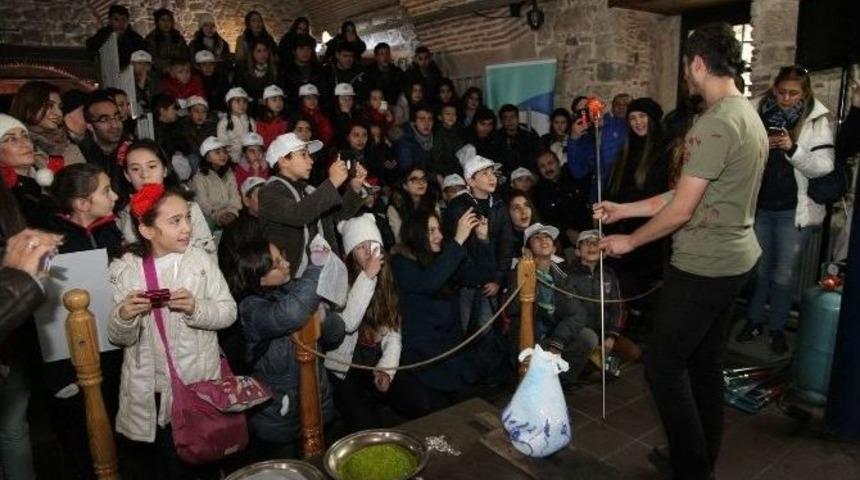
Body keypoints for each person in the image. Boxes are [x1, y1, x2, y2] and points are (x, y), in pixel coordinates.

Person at [595, 23, 767, 479]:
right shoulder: (745, 113)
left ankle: (691, 468)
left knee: (662, 366)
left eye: (687, 68)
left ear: (698, 64)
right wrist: (625, 209)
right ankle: (700, 457)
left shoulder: (714, 124)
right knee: (704, 363)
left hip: (704, 267)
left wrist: (630, 240)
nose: (686, 77)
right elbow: (687, 193)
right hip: (736, 260)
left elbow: (682, 210)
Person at [107, 184, 237, 478]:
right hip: (153, 392)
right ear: (147, 230)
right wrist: (125, 315)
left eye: (187, 217)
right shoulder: (127, 270)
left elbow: (228, 312)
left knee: (205, 459)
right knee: (169, 465)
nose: (187, 228)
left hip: (199, 386)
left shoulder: (200, 261)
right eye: (175, 221)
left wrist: (196, 309)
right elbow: (118, 337)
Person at [736, 65, 835, 354]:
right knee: (760, 270)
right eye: (781, 92)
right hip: (760, 207)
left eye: (793, 94)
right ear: (774, 89)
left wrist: (792, 149)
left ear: (805, 93)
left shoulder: (816, 120)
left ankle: (777, 328)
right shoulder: (756, 111)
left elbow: (823, 167)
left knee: (783, 274)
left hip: (794, 211)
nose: (786, 99)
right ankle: (754, 321)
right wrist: (760, 145)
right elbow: (737, 151)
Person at [41, 163, 124, 479]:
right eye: (106, 190)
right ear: (82, 203)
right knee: (82, 444)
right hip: (72, 366)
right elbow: (43, 316)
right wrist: (58, 376)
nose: (114, 196)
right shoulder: (50, 243)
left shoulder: (110, 231)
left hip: (111, 352)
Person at [225, 238, 344, 458]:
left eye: (282, 257)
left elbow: (336, 335)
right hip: (279, 420)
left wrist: (324, 318)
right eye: (276, 264)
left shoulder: (295, 289)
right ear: (260, 278)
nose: (287, 264)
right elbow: (290, 314)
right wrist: (317, 267)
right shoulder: (250, 309)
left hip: (320, 406)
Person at [327, 214, 424, 432]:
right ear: (351, 253)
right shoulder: (340, 279)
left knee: (420, 402)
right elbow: (348, 324)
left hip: (375, 359)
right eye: (360, 247)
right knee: (367, 427)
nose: (368, 252)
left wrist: (386, 370)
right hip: (346, 367)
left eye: (372, 245)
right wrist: (368, 277)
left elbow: (393, 333)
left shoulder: (388, 278)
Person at [390, 208, 493, 414]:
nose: (439, 236)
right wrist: (458, 240)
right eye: (431, 231)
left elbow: (481, 275)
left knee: (472, 405)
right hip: (424, 359)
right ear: (416, 234)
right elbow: (429, 282)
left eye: (438, 229)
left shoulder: (442, 258)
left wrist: (483, 240)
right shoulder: (401, 262)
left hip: (451, 353)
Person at [259, 133, 365, 278]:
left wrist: (355, 188)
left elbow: (338, 216)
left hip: (321, 273)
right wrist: (332, 183)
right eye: (303, 155)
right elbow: (297, 214)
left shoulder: (308, 191)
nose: (311, 161)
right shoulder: (269, 192)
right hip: (292, 280)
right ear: (283, 161)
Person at [605, 97, 669, 328]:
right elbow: (616, 189)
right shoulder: (626, 149)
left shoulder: (665, 150)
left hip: (651, 230)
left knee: (647, 289)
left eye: (642, 116)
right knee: (625, 285)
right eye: (632, 118)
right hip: (623, 226)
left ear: (653, 119)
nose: (637, 122)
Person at [507, 223, 591, 385]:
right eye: (536, 238)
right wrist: (526, 273)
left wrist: (557, 342)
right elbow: (514, 309)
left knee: (588, 337)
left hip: (555, 334)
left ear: (553, 248)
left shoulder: (562, 274)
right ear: (527, 249)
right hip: (529, 337)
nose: (543, 240)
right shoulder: (518, 273)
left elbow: (577, 312)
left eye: (547, 237)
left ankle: (561, 383)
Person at [116, 140, 216, 258]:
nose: (144, 175)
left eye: (152, 166)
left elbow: (208, 250)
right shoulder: (124, 214)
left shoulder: (186, 205)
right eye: (135, 169)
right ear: (127, 175)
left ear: (165, 170)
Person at [566, 229, 625, 377]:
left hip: (605, 334)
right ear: (578, 251)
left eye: (596, 243)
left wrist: (611, 337)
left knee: (633, 353)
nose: (592, 246)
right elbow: (570, 312)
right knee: (589, 366)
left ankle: (599, 365)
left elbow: (618, 307)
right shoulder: (569, 276)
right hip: (584, 335)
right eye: (586, 243)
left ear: (603, 253)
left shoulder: (609, 274)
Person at [9, 80, 86, 168]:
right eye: (49, 106)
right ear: (29, 107)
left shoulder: (67, 145)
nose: (58, 113)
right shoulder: (14, 148)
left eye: (60, 107)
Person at [567, 95, 628, 203]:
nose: (588, 113)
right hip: (599, 197)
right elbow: (578, 172)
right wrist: (573, 139)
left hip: (624, 193)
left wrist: (602, 124)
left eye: (589, 107)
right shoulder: (583, 140)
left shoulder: (617, 124)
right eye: (582, 112)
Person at [532, 150, 591, 249]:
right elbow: (545, 220)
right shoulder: (538, 193)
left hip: (591, 232)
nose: (547, 169)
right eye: (542, 166)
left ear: (558, 163)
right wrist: (566, 231)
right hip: (564, 243)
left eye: (550, 163)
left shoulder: (574, 175)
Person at [79, 91, 126, 201]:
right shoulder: (82, 157)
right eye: (104, 120)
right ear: (90, 126)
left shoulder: (132, 150)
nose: (114, 125)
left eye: (117, 117)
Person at [192, 137, 242, 229]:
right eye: (217, 152)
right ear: (208, 158)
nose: (223, 155)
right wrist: (218, 215)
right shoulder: (199, 178)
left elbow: (235, 196)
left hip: (230, 213)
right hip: (211, 215)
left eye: (225, 152)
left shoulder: (229, 173)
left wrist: (233, 212)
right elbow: (202, 203)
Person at [85, 4, 147, 69]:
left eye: (123, 20)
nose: (120, 23)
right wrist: (110, 39)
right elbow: (91, 46)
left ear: (127, 21)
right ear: (110, 21)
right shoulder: (102, 34)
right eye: (116, 20)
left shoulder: (136, 39)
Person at [387, 166, 438, 243]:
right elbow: (399, 239)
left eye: (423, 179)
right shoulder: (395, 207)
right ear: (405, 186)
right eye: (414, 180)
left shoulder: (432, 201)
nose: (421, 183)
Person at [278, 34, 323, 110]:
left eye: (308, 49)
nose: (305, 52)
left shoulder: (319, 70)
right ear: (294, 51)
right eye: (301, 49)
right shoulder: (285, 72)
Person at [496, 104, 541, 174]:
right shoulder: (495, 139)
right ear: (501, 121)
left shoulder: (529, 137)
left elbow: (537, 159)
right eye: (506, 118)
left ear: (518, 118)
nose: (510, 121)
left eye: (512, 117)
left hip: (526, 175)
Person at [319, 43, 367, 107]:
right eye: (345, 56)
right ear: (337, 55)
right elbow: (324, 95)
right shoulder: (327, 72)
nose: (348, 60)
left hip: (353, 108)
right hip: (331, 108)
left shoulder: (359, 72)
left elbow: (362, 95)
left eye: (351, 56)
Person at [145, 8, 191, 75]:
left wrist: (179, 67)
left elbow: (185, 54)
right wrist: (168, 68)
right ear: (157, 22)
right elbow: (152, 59)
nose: (166, 23)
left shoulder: (178, 37)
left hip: (179, 71)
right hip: (160, 73)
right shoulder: (151, 39)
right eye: (163, 20)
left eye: (168, 20)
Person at [217, 87, 256, 164]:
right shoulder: (224, 122)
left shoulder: (250, 120)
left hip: (248, 158)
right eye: (237, 101)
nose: (242, 105)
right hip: (231, 159)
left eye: (244, 102)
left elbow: (254, 139)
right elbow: (223, 143)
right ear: (228, 104)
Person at [234, 40, 278, 106]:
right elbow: (240, 92)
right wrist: (256, 101)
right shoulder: (243, 70)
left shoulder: (274, 70)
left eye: (265, 50)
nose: (263, 54)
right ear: (252, 53)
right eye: (258, 51)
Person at [394, 103, 436, 172]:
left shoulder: (435, 136)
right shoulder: (405, 141)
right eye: (422, 119)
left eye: (430, 119)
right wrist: (434, 176)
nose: (427, 123)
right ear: (414, 122)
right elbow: (408, 170)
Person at [179, 95, 217, 171]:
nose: (200, 115)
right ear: (189, 113)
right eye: (196, 111)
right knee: (193, 159)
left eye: (204, 111)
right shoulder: (185, 127)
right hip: (194, 157)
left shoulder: (211, 126)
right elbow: (189, 147)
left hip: (208, 155)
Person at [507, 191, 537, 258]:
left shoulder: (544, 233)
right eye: (516, 208)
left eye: (526, 206)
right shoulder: (504, 243)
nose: (523, 211)